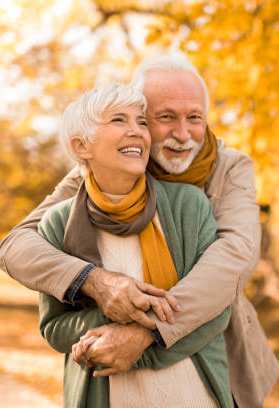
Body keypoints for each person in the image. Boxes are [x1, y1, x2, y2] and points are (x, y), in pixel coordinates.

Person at [0, 54, 279, 407]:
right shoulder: (101, 168)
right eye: (165, 118)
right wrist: (94, 281)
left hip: (216, 346)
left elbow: (235, 259)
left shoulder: (229, 168)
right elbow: (15, 246)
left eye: (195, 118)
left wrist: (145, 331)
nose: (182, 133)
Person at [38, 81, 232, 407]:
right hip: (109, 395)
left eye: (141, 121)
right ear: (82, 146)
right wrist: (109, 320)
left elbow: (216, 307)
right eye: (119, 120)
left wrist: (137, 338)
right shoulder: (57, 223)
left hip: (193, 393)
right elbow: (54, 327)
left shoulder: (189, 205)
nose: (137, 131)